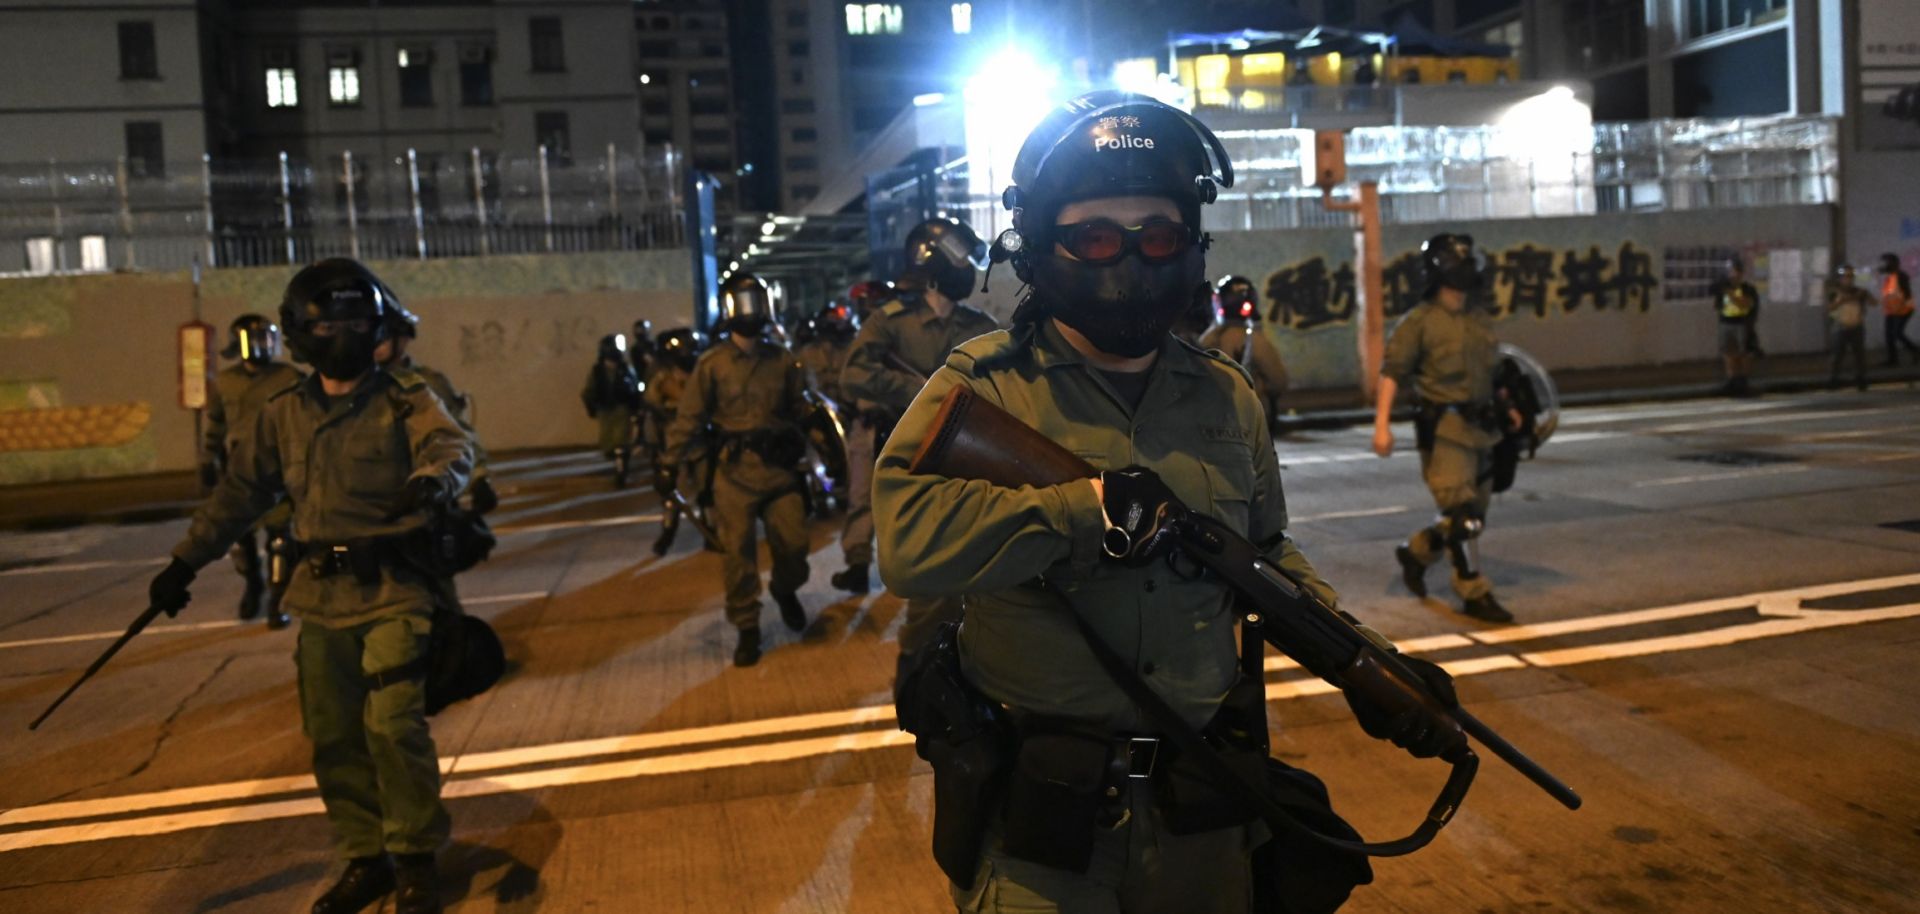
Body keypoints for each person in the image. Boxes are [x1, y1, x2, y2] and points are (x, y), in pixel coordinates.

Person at [874, 91, 1459, 913]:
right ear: (1042, 243)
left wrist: (1362, 661)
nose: (1131, 262)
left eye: (1158, 236)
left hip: (1201, 810)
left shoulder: (1225, 396)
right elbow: (905, 545)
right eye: (1097, 237)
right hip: (1045, 829)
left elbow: (1266, 549)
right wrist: (1084, 512)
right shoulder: (986, 387)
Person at [147, 258, 473, 914]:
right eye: (332, 322)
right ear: (301, 332)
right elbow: (239, 494)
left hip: (394, 590)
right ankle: (365, 858)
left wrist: (436, 479)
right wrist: (184, 563)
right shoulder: (281, 415)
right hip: (320, 599)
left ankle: (413, 859)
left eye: (357, 320)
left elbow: (451, 446)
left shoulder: (406, 399)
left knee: (392, 725)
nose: (345, 333)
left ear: (376, 325)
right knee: (333, 735)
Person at [839, 217, 1001, 635]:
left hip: (966, 458)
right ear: (932, 268)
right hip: (908, 453)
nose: (967, 270)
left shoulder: (979, 326)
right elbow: (854, 374)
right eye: (960, 261)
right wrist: (918, 389)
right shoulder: (889, 321)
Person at [664, 273, 812, 667]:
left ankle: (785, 589)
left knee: (795, 546)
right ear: (730, 309)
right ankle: (748, 626)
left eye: (755, 302)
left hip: (779, 470)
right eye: (742, 303)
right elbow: (689, 419)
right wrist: (669, 464)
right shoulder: (712, 365)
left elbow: (802, 409)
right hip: (733, 473)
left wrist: (816, 437)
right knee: (737, 556)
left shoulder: (782, 359)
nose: (750, 311)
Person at [1374, 233, 1520, 624]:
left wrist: (1508, 404)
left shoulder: (1477, 317)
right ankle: (1473, 591)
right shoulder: (1419, 323)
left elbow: (1491, 369)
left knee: (1472, 519)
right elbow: (1392, 374)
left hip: (1483, 427)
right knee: (1463, 515)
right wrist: (1381, 426)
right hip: (1445, 431)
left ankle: (1417, 551)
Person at [204, 313, 303, 628]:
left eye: (266, 339)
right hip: (238, 472)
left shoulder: (289, 377)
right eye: (254, 339)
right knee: (240, 539)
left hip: (278, 468)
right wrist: (206, 459)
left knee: (281, 540)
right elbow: (216, 424)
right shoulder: (225, 382)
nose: (262, 346)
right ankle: (253, 585)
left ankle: (277, 599)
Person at [375, 301, 497, 514]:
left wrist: (479, 479)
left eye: (384, 336)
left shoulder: (425, 384)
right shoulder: (351, 385)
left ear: (403, 339)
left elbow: (456, 434)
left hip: (422, 496)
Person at [830, 280, 899, 595]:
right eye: (864, 305)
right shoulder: (858, 341)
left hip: (899, 425)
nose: (867, 310)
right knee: (860, 498)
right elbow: (847, 383)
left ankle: (901, 566)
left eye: (872, 303)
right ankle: (858, 565)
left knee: (900, 502)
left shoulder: (899, 338)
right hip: (868, 427)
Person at [644, 327, 708, 555]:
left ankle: (710, 532)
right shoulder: (663, 378)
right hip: (674, 447)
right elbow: (652, 404)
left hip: (701, 443)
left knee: (707, 492)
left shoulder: (702, 374)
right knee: (672, 497)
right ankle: (667, 534)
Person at [1198, 275, 1289, 428]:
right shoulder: (1255, 339)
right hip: (1249, 420)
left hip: (1211, 420)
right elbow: (1278, 381)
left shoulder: (1206, 340)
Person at [581, 333, 643, 487]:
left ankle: (621, 470)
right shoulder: (597, 371)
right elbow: (588, 391)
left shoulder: (625, 368)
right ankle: (618, 465)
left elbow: (635, 387)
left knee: (621, 441)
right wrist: (592, 407)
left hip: (622, 408)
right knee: (608, 442)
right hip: (605, 409)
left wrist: (636, 405)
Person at [1708, 259, 1760, 396]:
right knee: (1729, 353)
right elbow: (1712, 293)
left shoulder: (1747, 289)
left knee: (1744, 353)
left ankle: (1743, 381)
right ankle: (1732, 380)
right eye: (1730, 272)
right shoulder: (1723, 287)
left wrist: (1730, 293)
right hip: (1726, 322)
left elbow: (1746, 304)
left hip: (1742, 323)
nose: (1733, 275)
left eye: (1735, 271)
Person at [1828, 263, 1871, 391]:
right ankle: (1833, 380)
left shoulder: (1859, 291)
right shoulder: (1835, 292)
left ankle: (1861, 380)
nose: (1848, 279)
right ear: (1840, 278)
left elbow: (1873, 303)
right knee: (1837, 356)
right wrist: (1842, 300)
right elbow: (1830, 308)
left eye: (1850, 276)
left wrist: (1864, 295)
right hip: (1840, 327)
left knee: (1859, 355)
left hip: (1856, 326)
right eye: (1845, 276)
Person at [1876, 252, 1917, 366]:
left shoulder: (1900, 276)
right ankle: (1892, 360)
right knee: (1890, 335)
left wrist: (1903, 308)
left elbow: (1907, 294)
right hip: (1891, 311)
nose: (1884, 265)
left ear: (1894, 263)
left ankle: (1915, 351)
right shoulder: (1890, 277)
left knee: (1897, 333)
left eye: (1886, 262)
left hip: (1902, 310)